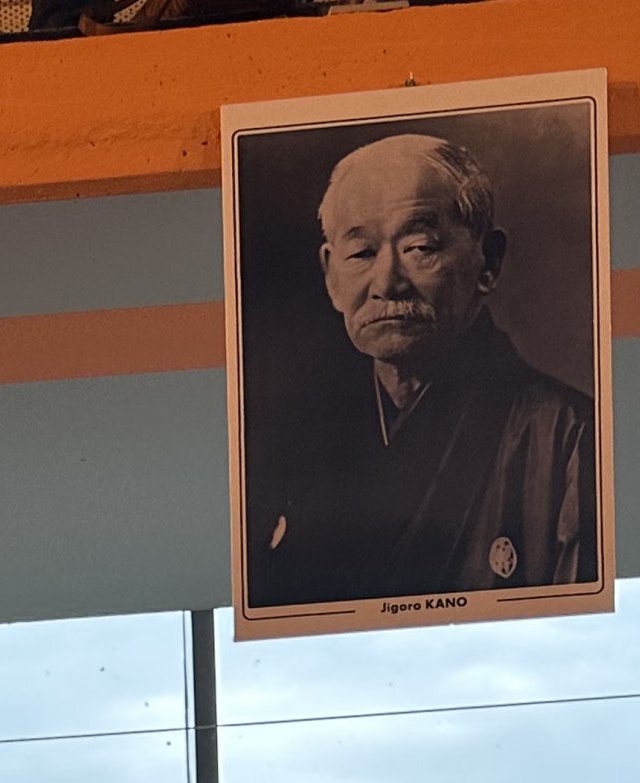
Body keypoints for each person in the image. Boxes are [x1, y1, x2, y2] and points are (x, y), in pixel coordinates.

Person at [248, 132, 597, 612]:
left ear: (488, 262)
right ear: (331, 276)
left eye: (419, 247)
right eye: (361, 254)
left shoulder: (570, 438)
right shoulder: (297, 438)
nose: (387, 283)